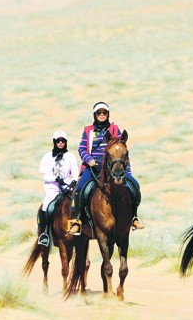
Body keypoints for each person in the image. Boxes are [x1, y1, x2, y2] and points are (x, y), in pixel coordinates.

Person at [68, 102, 144, 235]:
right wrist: (89, 159)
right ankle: (77, 220)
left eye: (104, 112)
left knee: (134, 186)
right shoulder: (88, 131)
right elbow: (82, 149)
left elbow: (121, 148)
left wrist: (127, 170)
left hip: (114, 167)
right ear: (95, 115)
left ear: (108, 114)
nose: (102, 115)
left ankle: (134, 217)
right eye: (99, 113)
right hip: (93, 167)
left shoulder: (115, 129)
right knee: (79, 189)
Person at [37, 130, 79, 247]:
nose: (60, 143)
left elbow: (75, 173)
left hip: (67, 188)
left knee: (77, 204)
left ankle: (79, 227)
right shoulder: (47, 157)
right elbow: (45, 175)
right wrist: (55, 178)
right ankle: (45, 233)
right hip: (52, 188)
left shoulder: (70, 156)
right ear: (54, 142)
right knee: (46, 207)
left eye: (63, 141)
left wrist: (72, 183)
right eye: (58, 141)